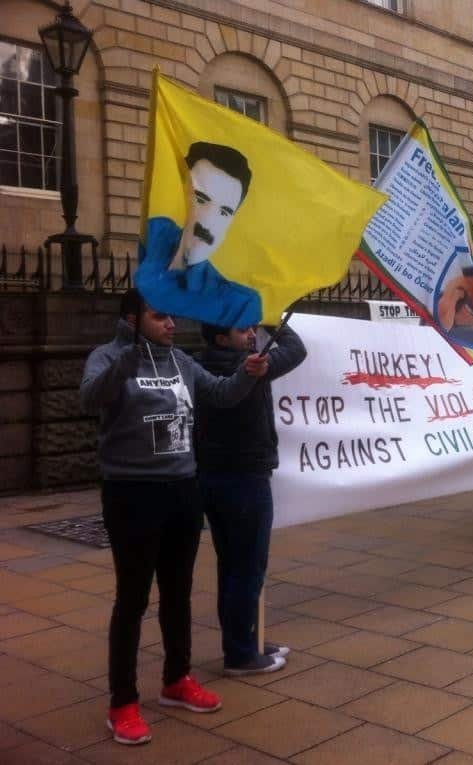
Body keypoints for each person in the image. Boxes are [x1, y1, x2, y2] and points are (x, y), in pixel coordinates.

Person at [80, 289, 268, 746]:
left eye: (172, 317)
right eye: (160, 316)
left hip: (183, 489)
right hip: (132, 493)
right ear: (132, 318)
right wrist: (127, 359)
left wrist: (248, 374)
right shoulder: (107, 356)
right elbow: (90, 397)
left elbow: (220, 395)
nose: (170, 324)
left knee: (178, 592)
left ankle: (176, 679)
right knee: (133, 599)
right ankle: (122, 701)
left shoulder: (180, 362)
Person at [195, 320, 307, 676]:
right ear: (220, 338)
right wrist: (271, 315)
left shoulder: (196, 365)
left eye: (252, 329)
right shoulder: (249, 366)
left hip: (211, 477)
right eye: (243, 330)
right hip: (245, 478)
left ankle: (245, 640)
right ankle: (242, 653)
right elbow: (296, 349)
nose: (250, 335)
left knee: (231, 567)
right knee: (248, 568)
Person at [136, 142, 262, 328]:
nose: (208, 220)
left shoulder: (239, 303)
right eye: (200, 199)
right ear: (180, 195)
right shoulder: (153, 234)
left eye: (225, 212)